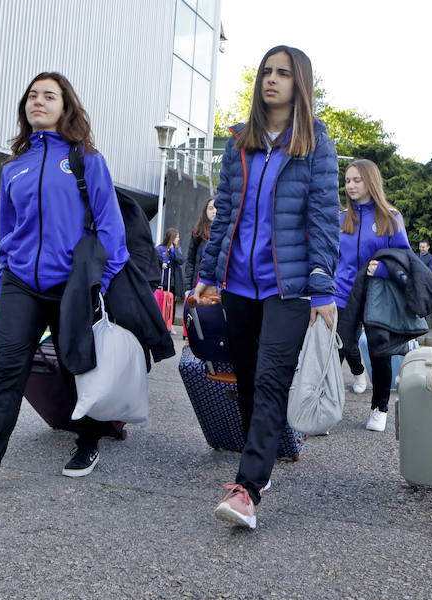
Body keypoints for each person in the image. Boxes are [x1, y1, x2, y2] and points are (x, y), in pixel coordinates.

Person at [0, 72, 129, 494]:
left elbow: (111, 229)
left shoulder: (85, 159)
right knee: (7, 369)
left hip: (71, 286)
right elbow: (15, 233)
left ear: (65, 106)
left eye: (49, 96)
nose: (38, 101)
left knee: (77, 368)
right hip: (21, 282)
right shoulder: (14, 168)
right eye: (32, 96)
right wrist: (1, 288)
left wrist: (100, 283)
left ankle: (90, 438)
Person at [191, 45, 339, 530]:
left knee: (273, 377)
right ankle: (265, 457)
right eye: (266, 72)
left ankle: (247, 487)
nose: (271, 80)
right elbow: (225, 214)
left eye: (283, 73)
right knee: (250, 379)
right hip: (237, 282)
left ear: (300, 83)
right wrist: (208, 276)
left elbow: (321, 218)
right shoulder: (239, 141)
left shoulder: (316, 143)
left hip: (289, 287)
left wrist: (323, 288)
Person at [334, 159, 410, 432]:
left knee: (380, 352)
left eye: (357, 180)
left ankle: (380, 407)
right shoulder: (341, 218)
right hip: (342, 295)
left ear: (371, 182)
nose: (351, 185)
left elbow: (405, 259)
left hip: (377, 296)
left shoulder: (390, 217)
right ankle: (326, 408)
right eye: (347, 181)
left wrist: (385, 268)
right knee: (338, 349)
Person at [183, 197, 216, 296]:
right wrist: (188, 288)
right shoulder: (198, 233)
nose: (214, 211)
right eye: (210, 208)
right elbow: (190, 261)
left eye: (217, 207)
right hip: (198, 284)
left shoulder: (227, 233)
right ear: (205, 211)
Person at [156, 227, 185, 299]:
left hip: (172, 281)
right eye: (177, 237)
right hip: (162, 279)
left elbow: (181, 260)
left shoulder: (177, 249)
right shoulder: (159, 249)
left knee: (171, 301)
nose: (178, 239)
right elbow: (154, 261)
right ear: (172, 238)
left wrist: (172, 250)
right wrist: (161, 264)